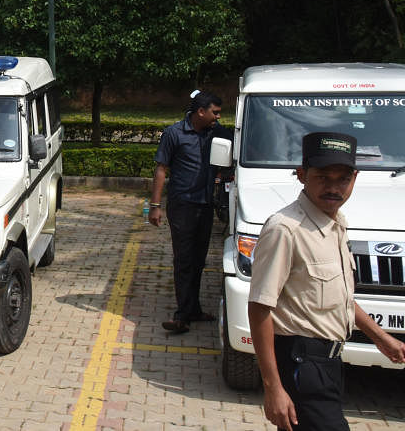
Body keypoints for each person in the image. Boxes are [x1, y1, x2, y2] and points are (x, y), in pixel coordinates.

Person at [248, 132, 405, 430]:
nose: (334, 188)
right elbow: (259, 309)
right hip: (301, 364)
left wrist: (380, 337)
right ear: (302, 175)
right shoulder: (285, 229)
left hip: (330, 364)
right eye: (323, 177)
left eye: (343, 178)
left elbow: (341, 297)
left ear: (355, 178)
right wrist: (273, 388)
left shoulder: (337, 223)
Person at [149, 89, 231, 334]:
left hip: (205, 205)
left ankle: (193, 309)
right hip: (182, 205)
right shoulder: (174, 134)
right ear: (200, 111)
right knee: (184, 260)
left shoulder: (215, 134)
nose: (218, 117)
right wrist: (155, 206)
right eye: (214, 112)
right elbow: (161, 169)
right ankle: (181, 316)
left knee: (198, 261)